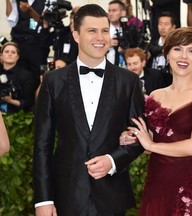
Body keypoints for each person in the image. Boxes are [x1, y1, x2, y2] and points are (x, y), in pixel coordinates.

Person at [33, 4, 145, 216]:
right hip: (66, 195)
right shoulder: (53, 81)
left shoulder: (129, 81)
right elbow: (42, 144)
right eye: (92, 31)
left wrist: (112, 160)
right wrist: (43, 200)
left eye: (104, 30)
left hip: (112, 196)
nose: (100, 37)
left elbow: (140, 136)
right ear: (76, 35)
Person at [121, 26, 192, 215]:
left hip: (189, 184)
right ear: (167, 54)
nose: (184, 56)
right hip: (157, 181)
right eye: (177, 49)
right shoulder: (155, 95)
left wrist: (151, 146)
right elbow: (149, 137)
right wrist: (131, 137)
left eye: (191, 51)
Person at [5, 0, 46, 80]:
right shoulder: (16, 1)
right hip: (19, 44)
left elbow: (44, 23)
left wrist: (30, 10)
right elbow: (11, 21)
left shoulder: (45, 2)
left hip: (37, 46)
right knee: (18, 75)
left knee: (36, 77)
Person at [0, 42, 36, 113]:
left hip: (18, 117)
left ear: (17, 57)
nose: (10, 54)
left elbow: (29, 102)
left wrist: (10, 101)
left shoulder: (26, 75)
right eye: (6, 52)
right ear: (1, 56)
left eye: (13, 52)